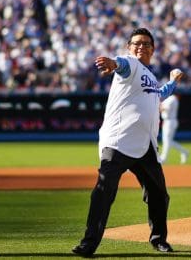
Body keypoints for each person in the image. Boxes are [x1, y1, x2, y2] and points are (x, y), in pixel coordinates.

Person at [72, 28, 184, 257]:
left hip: (145, 146)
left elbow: (159, 93)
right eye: (137, 43)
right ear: (129, 48)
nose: (141, 46)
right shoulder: (131, 65)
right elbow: (120, 64)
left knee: (159, 194)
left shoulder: (150, 77)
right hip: (118, 142)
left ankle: (159, 239)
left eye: (146, 44)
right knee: (104, 191)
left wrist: (172, 81)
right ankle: (88, 243)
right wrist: (112, 63)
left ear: (153, 50)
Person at [159, 94, 189, 164]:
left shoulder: (172, 98)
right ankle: (185, 151)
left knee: (167, 141)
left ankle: (164, 158)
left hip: (170, 121)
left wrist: (156, 106)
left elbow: (165, 109)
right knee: (168, 141)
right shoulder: (166, 98)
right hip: (167, 121)